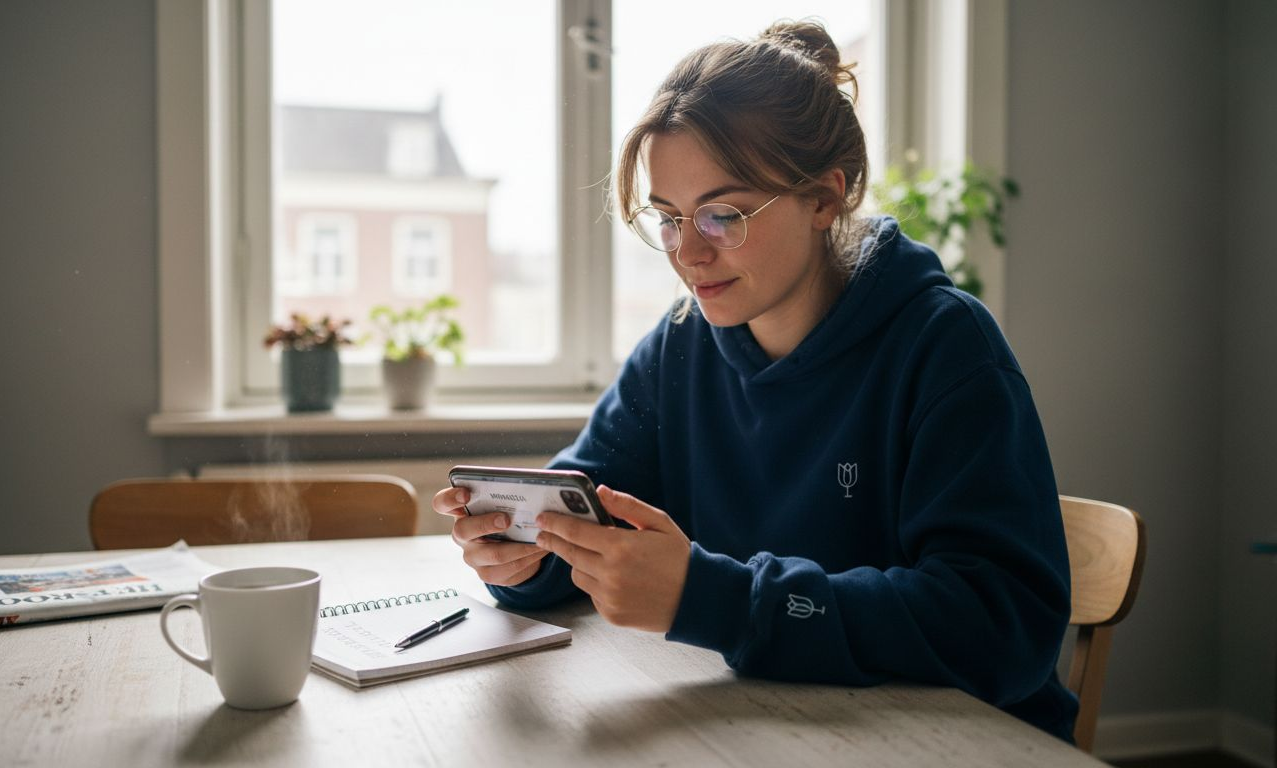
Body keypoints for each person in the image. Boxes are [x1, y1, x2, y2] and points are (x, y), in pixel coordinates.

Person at [434, 20, 1077, 742]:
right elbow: (591, 515)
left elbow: (1002, 627)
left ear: (824, 199)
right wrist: (524, 557)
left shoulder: (943, 346)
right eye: (669, 218)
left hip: (960, 744)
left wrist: (715, 600)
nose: (687, 253)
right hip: (780, 731)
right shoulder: (680, 347)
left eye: (723, 215)